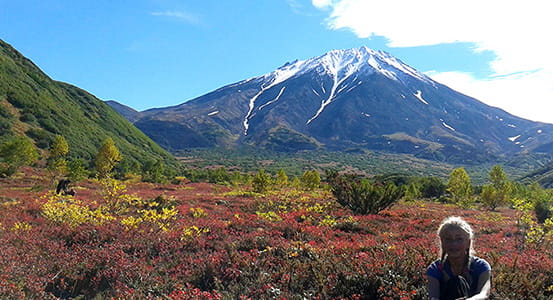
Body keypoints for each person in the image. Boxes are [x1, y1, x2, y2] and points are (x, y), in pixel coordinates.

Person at [427, 216, 491, 300]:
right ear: (442, 242)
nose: (454, 244)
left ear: (468, 243)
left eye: (459, 239)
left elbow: (484, 294)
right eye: (448, 239)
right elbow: (433, 297)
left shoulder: (481, 266)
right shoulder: (435, 268)